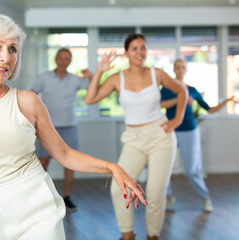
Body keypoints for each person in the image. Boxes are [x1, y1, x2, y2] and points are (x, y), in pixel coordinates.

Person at [0, 14, 147, 240]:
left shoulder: (28, 101)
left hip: (37, 208)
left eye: (13, 49)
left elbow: (64, 154)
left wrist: (112, 167)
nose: (6, 57)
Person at [84, 34, 188, 240]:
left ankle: (152, 236)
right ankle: (128, 235)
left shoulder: (156, 73)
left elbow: (182, 90)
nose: (140, 52)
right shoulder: (117, 78)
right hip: (133, 139)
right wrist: (99, 71)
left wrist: (177, 119)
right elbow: (90, 99)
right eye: (135, 48)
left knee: (156, 193)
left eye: (143, 48)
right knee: (118, 188)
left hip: (160, 137)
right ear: (126, 53)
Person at [161, 58, 234, 213]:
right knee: (163, 166)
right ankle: (167, 197)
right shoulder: (167, 88)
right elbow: (160, 105)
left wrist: (226, 101)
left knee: (192, 170)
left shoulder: (192, 89)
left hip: (189, 131)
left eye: (183, 67)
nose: (180, 70)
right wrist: (179, 98)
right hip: (171, 130)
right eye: (177, 67)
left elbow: (209, 109)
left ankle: (205, 198)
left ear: (185, 70)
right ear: (173, 69)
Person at [31, 48, 93, 212]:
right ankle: (40, 199)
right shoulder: (44, 78)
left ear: (70, 61)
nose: (63, 61)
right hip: (47, 127)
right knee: (43, 162)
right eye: (61, 58)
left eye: (67, 58)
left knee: (70, 162)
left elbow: (93, 90)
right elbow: (31, 95)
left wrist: (92, 76)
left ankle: (67, 197)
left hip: (69, 126)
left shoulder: (75, 79)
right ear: (56, 59)